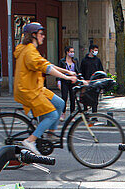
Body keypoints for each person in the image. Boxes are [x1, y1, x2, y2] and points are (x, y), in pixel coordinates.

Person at [13, 22, 78, 154]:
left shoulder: (31, 50)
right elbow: (46, 68)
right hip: (29, 91)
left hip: (37, 88)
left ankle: (49, 135)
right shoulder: (29, 51)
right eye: (41, 34)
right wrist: (66, 78)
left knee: (60, 104)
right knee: (53, 115)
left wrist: (67, 72)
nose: (43, 36)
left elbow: (47, 64)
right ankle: (30, 141)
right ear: (33, 35)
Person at [60, 45, 78, 112]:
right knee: (64, 97)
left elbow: (77, 70)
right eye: (71, 51)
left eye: (73, 52)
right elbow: (60, 71)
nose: (72, 53)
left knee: (73, 98)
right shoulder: (62, 61)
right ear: (67, 52)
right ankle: (63, 112)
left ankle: (72, 113)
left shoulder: (75, 61)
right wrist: (59, 81)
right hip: (65, 80)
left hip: (72, 81)